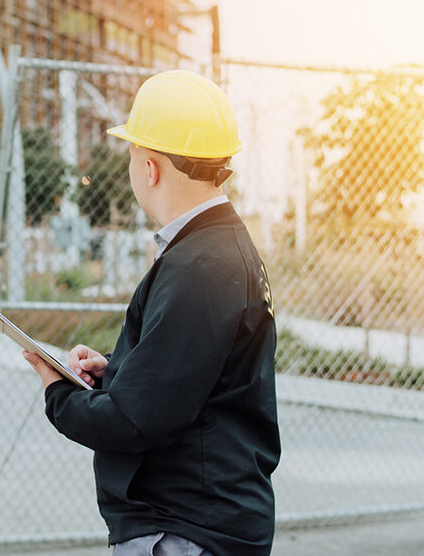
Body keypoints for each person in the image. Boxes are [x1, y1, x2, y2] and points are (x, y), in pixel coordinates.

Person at [23, 70, 280, 556]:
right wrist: (118, 369)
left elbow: (137, 421)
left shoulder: (201, 265)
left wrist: (58, 390)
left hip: (185, 532)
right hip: (203, 522)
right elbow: (191, 377)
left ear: (150, 168)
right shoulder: (215, 249)